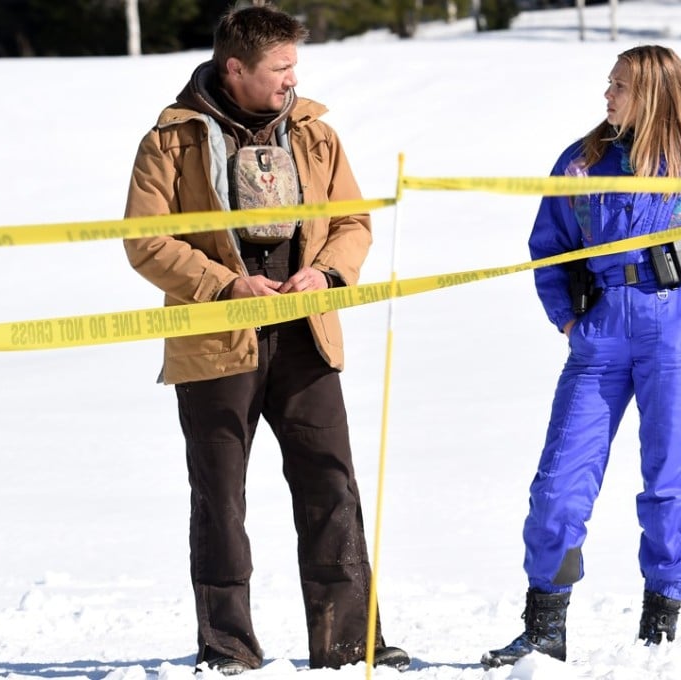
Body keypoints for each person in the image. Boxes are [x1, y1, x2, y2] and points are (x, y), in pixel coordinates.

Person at [122, 4, 408, 674]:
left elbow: (353, 221)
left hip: (307, 337)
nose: (291, 79)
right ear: (235, 68)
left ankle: (348, 646)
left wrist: (326, 273)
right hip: (215, 342)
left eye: (293, 66)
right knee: (219, 500)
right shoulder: (168, 141)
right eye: (279, 68)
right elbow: (145, 241)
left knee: (332, 487)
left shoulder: (315, 133)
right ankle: (227, 648)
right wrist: (226, 286)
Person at [482, 45, 681, 666]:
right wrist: (568, 316)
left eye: (620, 87)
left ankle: (661, 622)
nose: (607, 96)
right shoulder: (582, 163)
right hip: (600, 335)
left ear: (654, 93)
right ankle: (545, 625)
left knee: (667, 485)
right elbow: (549, 247)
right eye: (609, 84)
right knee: (559, 484)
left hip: (673, 335)